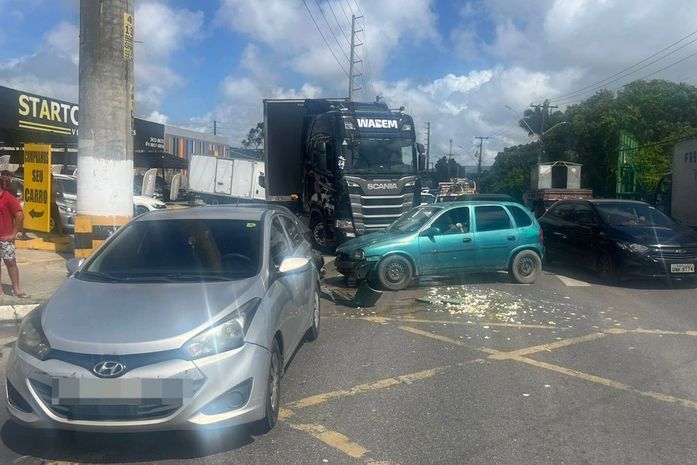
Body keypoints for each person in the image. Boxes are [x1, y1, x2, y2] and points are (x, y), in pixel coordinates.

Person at [0, 180, 27, 298]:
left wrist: (13, 233)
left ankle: (17, 289)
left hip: (5, 238)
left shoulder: (7, 197)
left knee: (10, 262)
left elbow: (20, 215)